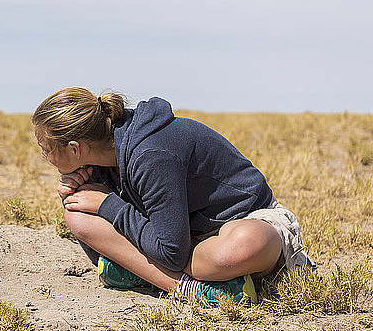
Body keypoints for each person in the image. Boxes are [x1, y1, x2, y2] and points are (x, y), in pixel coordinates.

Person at [32, 87, 315, 306]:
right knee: (76, 212)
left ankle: (165, 280)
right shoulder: (101, 156)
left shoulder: (152, 154)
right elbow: (103, 247)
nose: (44, 156)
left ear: (74, 148)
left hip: (239, 220)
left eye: (45, 148)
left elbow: (171, 252)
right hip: (181, 238)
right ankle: (198, 288)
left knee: (240, 248)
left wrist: (109, 205)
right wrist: (76, 190)